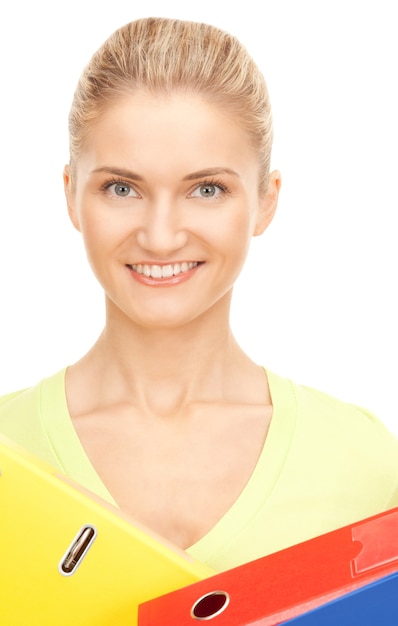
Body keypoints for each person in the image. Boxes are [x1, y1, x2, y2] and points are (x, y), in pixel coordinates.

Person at [0, 17, 397, 572]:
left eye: (206, 189)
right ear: (70, 195)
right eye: (122, 188)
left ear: (266, 201)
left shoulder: (366, 466)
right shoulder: (5, 451)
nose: (161, 236)